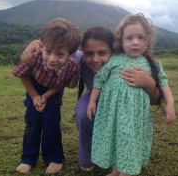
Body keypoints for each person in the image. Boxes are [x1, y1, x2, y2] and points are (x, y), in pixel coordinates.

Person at [21, 24, 168, 173]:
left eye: (102, 53)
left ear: (114, 50)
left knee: (121, 124)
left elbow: (155, 101)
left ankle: (122, 158)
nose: (95, 59)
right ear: (83, 53)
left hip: (123, 105)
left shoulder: (127, 63)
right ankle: (89, 156)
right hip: (95, 97)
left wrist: (149, 83)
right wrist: (35, 43)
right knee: (83, 111)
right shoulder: (80, 59)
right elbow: (60, 46)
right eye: (89, 53)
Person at [87, 14, 176, 176]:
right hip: (112, 113)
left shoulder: (151, 64)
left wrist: (170, 104)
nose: (135, 42)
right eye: (129, 38)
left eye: (140, 37)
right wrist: (92, 101)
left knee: (129, 141)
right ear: (120, 41)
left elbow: (163, 83)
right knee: (114, 138)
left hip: (134, 116)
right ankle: (115, 169)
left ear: (147, 40)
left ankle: (127, 171)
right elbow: (99, 80)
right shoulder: (114, 60)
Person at [12, 18, 81, 174]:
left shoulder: (73, 65)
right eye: (48, 51)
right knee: (33, 120)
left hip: (54, 89)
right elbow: (23, 75)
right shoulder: (34, 55)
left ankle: (55, 158)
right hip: (33, 86)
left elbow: (63, 83)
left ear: (71, 54)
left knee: (51, 121)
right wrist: (35, 96)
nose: (52, 59)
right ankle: (28, 158)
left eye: (60, 54)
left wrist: (48, 95)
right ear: (42, 45)